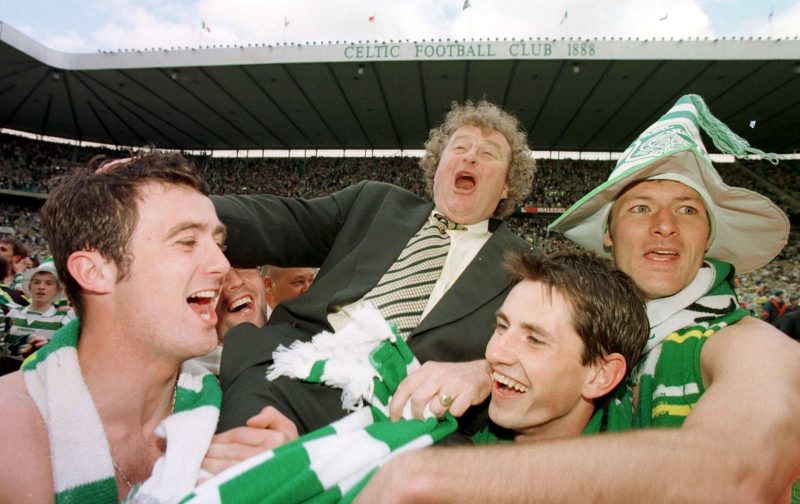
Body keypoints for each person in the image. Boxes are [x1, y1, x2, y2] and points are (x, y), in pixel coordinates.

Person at [358, 94, 800, 502]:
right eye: (640, 207)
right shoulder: (592, 331)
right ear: (608, 234)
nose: (665, 225)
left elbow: (736, 473)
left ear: (708, 237)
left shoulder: (750, 345)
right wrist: (491, 370)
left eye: (687, 209)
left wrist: (439, 476)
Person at [213, 100, 536, 435]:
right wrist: (196, 214)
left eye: (488, 153)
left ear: (506, 185)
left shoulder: (526, 267)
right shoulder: (374, 203)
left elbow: (548, 352)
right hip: (298, 370)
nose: (470, 157)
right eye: (460, 147)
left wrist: (485, 372)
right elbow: (282, 223)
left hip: (409, 415)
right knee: (250, 454)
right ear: (438, 166)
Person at [0, 152, 286, 502]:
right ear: (94, 271)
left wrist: (286, 479)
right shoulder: (10, 432)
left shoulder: (240, 417)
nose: (223, 265)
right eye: (187, 242)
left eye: (218, 243)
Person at [474, 248, 648, 444]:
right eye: (502, 326)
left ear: (601, 376)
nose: (495, 353)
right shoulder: (455, 431)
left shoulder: (634, 463)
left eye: (535, 340)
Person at [3, 258, 73, 371]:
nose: (41, 287)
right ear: (30, 286)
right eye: (36, 282)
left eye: (48, 283)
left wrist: (48, 346)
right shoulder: (13, 314)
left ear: (58, 289)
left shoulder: (63, 318)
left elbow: (68, 353)